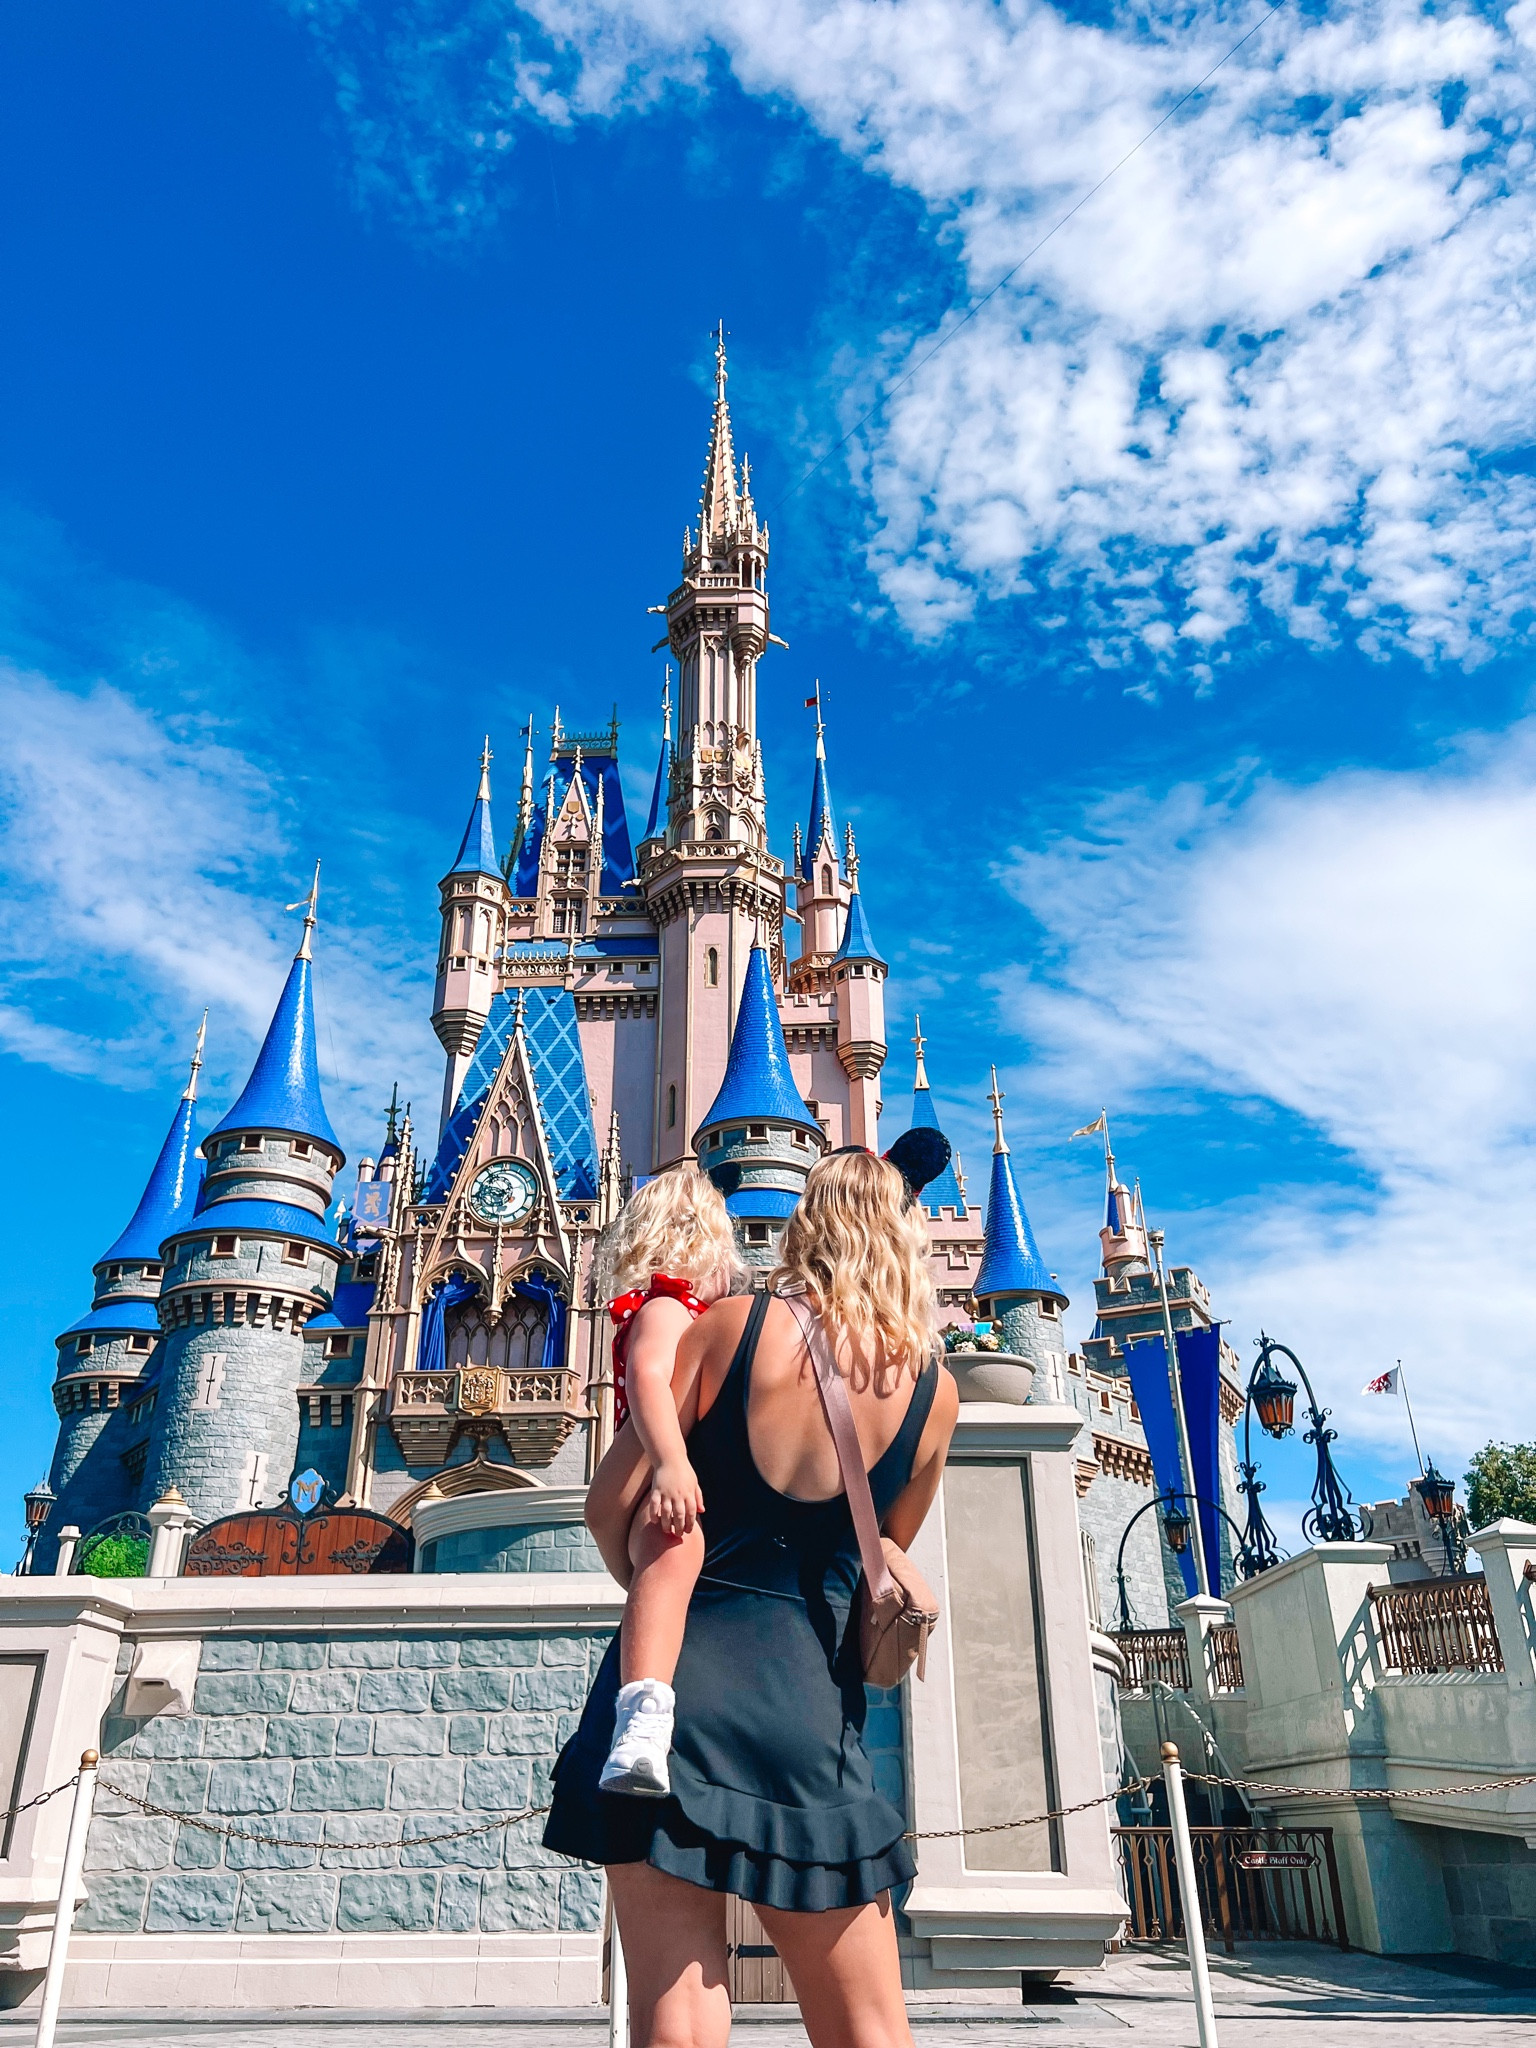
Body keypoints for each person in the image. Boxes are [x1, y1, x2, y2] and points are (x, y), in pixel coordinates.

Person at [549, 1148, 960, 2048]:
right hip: (807, 1711)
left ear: (808, 1224)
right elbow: (885, 1545)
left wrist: (658, 1574)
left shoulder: (730, 1328)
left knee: (678, 2007)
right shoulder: (933, 1393)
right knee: (868, 2026)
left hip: (667, 1694)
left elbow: (608, 1505)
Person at [590, 1164, 745, 1796]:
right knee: (674, 1546)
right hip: (658, 1487)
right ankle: (642, 1722)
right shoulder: (666, 1306)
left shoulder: (689, 1313)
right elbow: (648, 1378)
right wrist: (670, 1463)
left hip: (668, 1482)